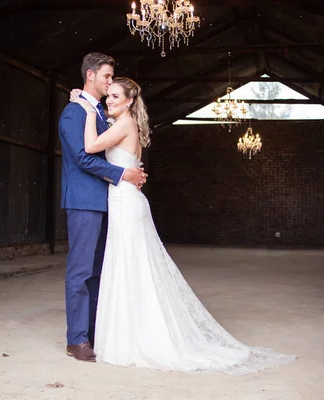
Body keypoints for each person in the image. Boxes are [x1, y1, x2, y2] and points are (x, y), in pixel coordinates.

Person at [69, 78, 296, 374]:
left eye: (114, 96)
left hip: (126, 203)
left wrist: (86, 109)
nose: (108, 100)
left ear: (128, 102)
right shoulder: (124, 124)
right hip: (125, 201)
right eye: (107, 95)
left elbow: (89, 147)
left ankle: (136, 339)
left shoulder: (123, 124)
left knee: (130, 268)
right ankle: (129, 335)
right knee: (131, 269)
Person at [58, 53, 147, 363]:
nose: (111, 82)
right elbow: (83, 157)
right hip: (84, 201)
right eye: (107, 77)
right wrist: (123, 173)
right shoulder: (74, 113)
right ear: (91, 75)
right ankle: (76, 340)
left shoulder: (97, 111)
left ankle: (95, 332)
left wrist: (130, 167)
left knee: (99, 271)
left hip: (109, 201)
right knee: (81, 271)